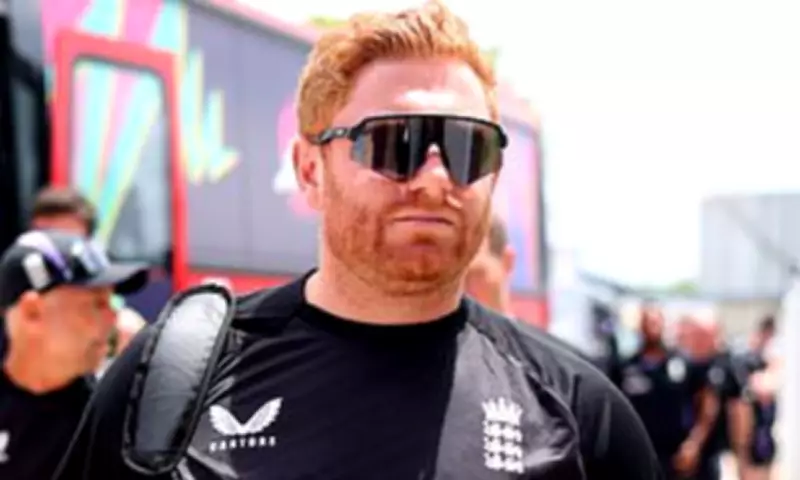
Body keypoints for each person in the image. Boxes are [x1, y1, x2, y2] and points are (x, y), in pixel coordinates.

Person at [54, 2, 661, 478]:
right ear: (310, 170)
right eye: (394, 142)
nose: (434, 178)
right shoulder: (174, 378)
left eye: (466, 146)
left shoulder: (579, 414)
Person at [0, 229, 147, 479]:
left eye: (111, 303)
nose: (114, 317)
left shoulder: (111, 419)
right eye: (97, 303)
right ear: (32, 312)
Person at [29, 186, 148, 357]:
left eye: (69, 243)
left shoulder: (123, 329)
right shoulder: (13, 311)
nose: (58, 253)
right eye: (48, 242)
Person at [617, 307, 719, 479]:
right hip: (640, 453)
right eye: (648, 323)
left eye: (656, 322)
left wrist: (694, 444)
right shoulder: (626, 367)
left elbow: (707, 405)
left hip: (677, 455)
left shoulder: (683, 363)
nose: (653, 328)